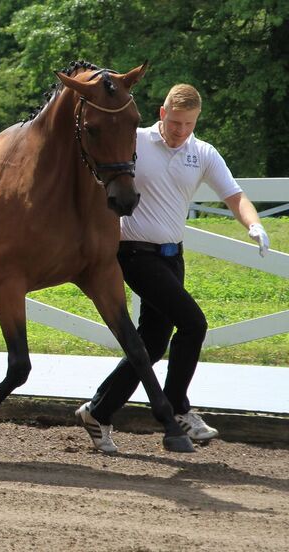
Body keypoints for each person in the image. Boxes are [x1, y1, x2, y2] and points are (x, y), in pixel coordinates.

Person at [76, 83, 271, 453]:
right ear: (162, 114)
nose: (181, 131)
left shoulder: (203, 153)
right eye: (176, 122)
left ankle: (97, 411)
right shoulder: (133, 140)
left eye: (189, 124)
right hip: (133, 252)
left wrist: (254, 224)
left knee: (150, 345)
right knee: (194, 323)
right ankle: (178, 406)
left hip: (172, 256)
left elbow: (235, 195)